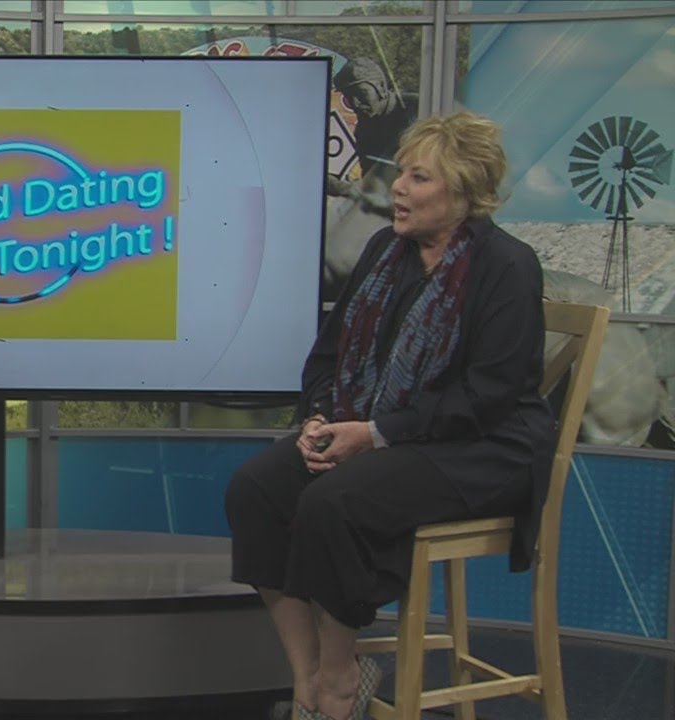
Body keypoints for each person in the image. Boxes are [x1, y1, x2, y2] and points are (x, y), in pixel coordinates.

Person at [225, 112, 552, 720]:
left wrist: (376, 434)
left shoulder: (507, 266)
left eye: (418, 177)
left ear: (463, 191)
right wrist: (319, 419)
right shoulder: (384, 252)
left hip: (483, 449)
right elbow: (328, 357)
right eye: (401, 173)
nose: (397, 187)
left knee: (335, 501)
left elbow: (487, 396)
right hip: (385, 432)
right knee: (256, 488)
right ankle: (307, 678)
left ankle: (339, 677)